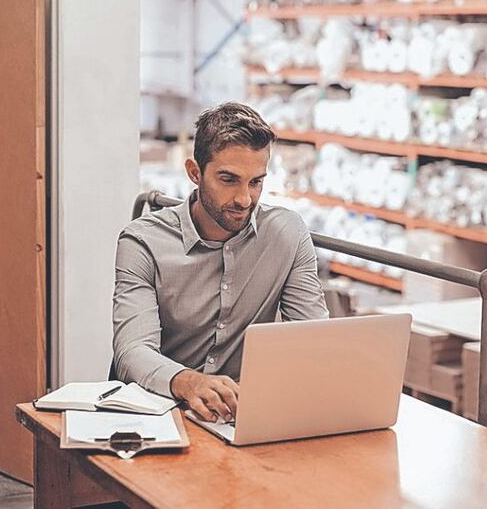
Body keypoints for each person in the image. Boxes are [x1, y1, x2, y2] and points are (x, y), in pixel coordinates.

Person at [113, 102, 329, 422]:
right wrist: (187, 381)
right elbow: (132, 352)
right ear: (195, 172)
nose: (244, 199)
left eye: (256, 182)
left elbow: (315, 340)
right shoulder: (142, 242)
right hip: (160, 413)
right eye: (229, 179)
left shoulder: (287, 233)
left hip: (238, 415)